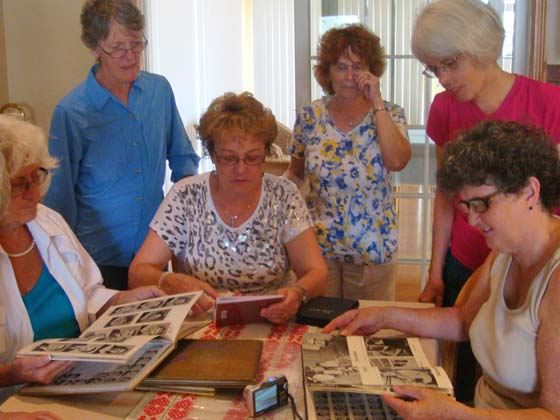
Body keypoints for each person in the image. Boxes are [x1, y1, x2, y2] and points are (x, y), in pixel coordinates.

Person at [324, 121, 560, 417]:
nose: (472, 222)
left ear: (530, 191)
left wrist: (458, 414)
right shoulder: (505, 251)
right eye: (467, 207)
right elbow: (463, 322)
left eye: (482, 204)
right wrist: (384, 315)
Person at [412, 0, 560, 402]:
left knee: (525, 370)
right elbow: (446, 195)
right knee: (463, 362)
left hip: (531, 262)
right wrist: (435, 270)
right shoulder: (444, 108)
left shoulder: (549, 103)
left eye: (450, 63)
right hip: (467, 254)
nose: (442, 78)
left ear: (481, 48)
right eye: (433, 67)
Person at [0, 116, 163, 402]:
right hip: (16, 401)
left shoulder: (47, 221)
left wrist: (125, 300)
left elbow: (89, 295)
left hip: (81, 380)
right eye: (19, 185)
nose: (35, 193)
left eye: (36, 177)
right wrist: (13, 373)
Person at [129, 92, 328, 324]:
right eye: (228, 158)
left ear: (266, 153)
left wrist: (297, 293)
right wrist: (168, 280)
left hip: (270, 320)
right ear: (212, 154)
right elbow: (138, 272)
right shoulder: (186, 195)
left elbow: (317, 273)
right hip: (203, 322)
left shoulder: (283, 195)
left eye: (252, 158)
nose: (241, 169)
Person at [44, 0, 199, 290]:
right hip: (95, 262)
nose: (130, 56)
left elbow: (183, 160)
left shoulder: (159, 91)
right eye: (118, 48)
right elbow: (58, 200)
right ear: (94, 48)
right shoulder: (72, 113)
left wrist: (187, 230)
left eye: (136, 44)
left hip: (152, 255)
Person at [286, 24, 411, 301]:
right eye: (341, 67)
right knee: (318, 332)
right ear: (327, 72)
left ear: (372, 71)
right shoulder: (310, 116)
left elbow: (397, 161)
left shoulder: (390, 113)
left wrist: (376, 101)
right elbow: (295, 175)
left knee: (368, 333)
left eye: (358, 67)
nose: (350, 76)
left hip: (372, 251)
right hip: (318, 251)